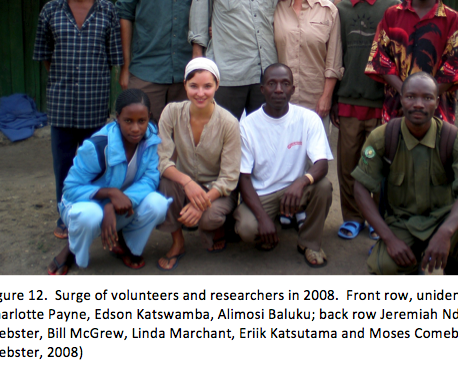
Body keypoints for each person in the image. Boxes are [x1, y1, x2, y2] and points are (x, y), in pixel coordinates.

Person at [352, 72, 458, 275]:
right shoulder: (383, 137)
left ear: (436, 101)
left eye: (427, 98)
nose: (418, 104)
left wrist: (445, 232)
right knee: (383, 267)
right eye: (410, 97)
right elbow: (361, 188)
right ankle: (414, 270)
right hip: (402, 223)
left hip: (444, 217)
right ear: (401, 99)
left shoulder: (454, 139)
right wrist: (389, 239)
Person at [33, 0, 123, 239]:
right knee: (63, 165)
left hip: (95, 104)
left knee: (96, 163)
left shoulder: (108, 10)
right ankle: (66, 214)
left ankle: (93, 211)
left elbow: (113, 57)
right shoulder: (50, 11)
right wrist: (66, 77)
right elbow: (46, 56)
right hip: (61, 105)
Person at [46, 89, 170, 275]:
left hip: (118, 205)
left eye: (141, 121)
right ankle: (72, 249)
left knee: (158, 203)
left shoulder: (150, 139)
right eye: (128, 121)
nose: (135, 128)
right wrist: (110, 193)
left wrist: (114, 203)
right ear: (117, 118)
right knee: (91, 215)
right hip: (83, 205)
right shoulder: (97, 146)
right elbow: (70, 188)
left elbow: (150, 179)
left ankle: (125, 244)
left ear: (149, 118)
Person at [234, 64, 333, 268]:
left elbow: (321, 163)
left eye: (285, 84)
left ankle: (309, 243)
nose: (279, 89)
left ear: (292, 90)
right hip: (263, 194)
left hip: (296, 191)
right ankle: (270, 227)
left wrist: (301, 182)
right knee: (247, 228)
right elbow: (243, 178)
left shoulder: (308, 119)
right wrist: (262, 219)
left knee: (323, 187)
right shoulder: (247, 126)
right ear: (262, 90)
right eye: (272, 84)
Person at [331, 0, 400, 240]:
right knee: (348, 165)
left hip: (381, 103)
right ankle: (353, 216)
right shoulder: (341, 9)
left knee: (378, 164)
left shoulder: (393, 7)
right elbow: (337, 53)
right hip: (348, 100)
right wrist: (334, 97)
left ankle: (376, 217)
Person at [156, 58, 241, 271]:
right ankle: (178, 242)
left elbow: (229, 177)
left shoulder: (229, 122)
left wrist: (199, 202)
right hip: (184, 184)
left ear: (217, 85)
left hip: (217, 190)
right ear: (184, 85)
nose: (200, 93)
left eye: (207, 86)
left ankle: (214, 228)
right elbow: (162, 159)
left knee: (208, 218)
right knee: (165, 184)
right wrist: (187, 182)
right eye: (193, 86)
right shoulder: (171, 112)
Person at [365, 0, 458, 124]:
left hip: (437, 111)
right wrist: (406, 94)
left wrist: (424, 98)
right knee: (395, 148)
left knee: (436, 149)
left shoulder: (452, 19)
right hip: (397, 108)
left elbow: (455, 69)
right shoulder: (392, 15)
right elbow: (380, 61)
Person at [274, 0, 343, 126]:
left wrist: (326, 98)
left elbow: (333, 61)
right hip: (281, 99)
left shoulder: (329, 11)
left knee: (315, 153)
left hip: (315, 100)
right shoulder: (274, 6)